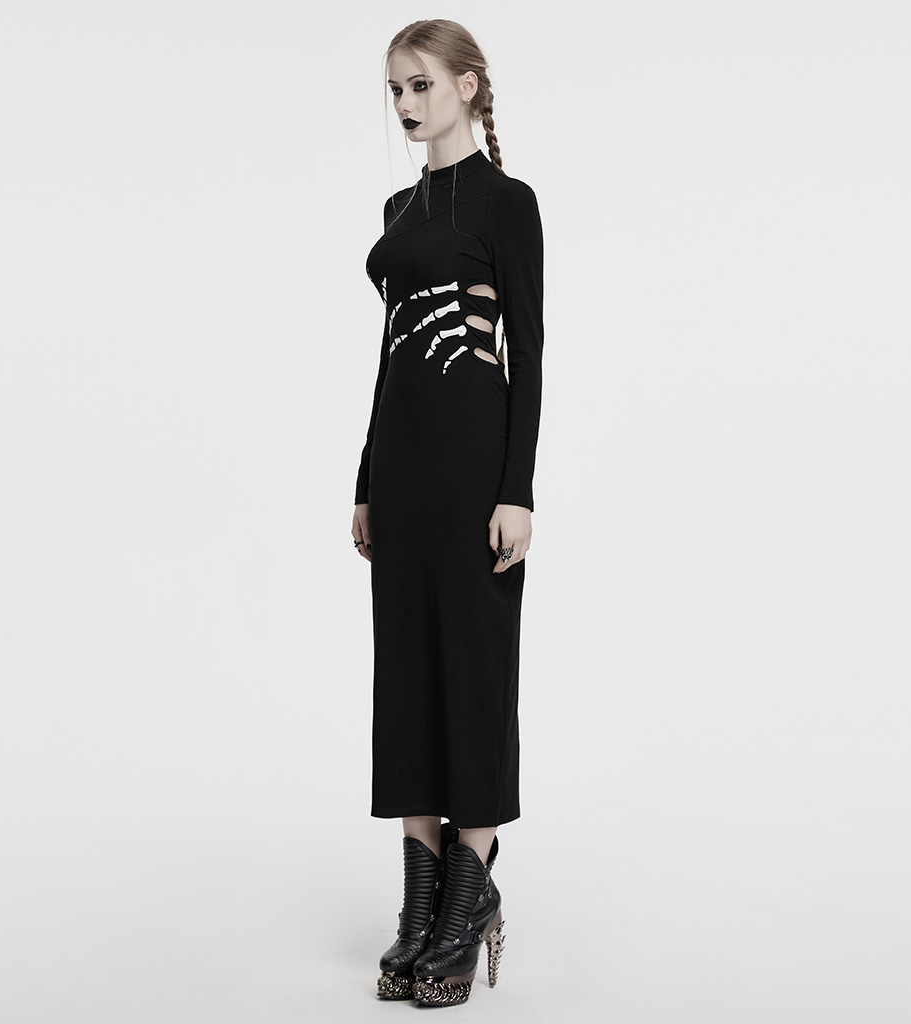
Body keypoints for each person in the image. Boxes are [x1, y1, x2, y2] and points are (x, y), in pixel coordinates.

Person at [350, 19, 544, 1008]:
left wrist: (517, 490)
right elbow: (391, 359)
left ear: (468, 86)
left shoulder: (507, 203)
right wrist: (365, 480)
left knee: (473, 670)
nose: (405, 105)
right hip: (403, 478)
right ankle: (419, 902)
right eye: (395, 89)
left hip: (475, 481)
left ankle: (469, 892)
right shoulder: (401, 207)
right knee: (408, 678)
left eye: (420, 85)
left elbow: (529, 353)